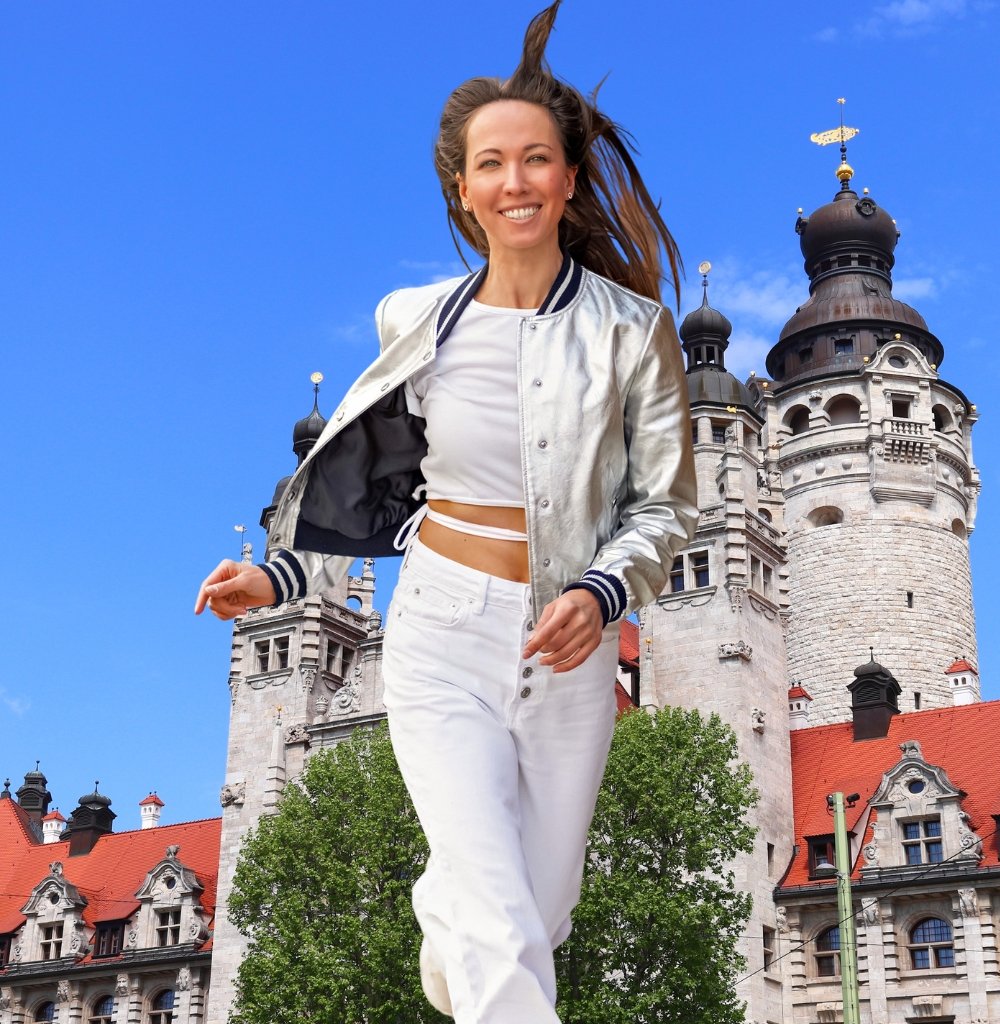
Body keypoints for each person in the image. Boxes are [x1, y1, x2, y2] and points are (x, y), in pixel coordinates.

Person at [195, 3, 697, 1021]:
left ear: (564, 177)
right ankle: (475, 921)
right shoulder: (412, 315)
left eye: (535, 160)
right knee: (503, 923)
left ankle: (453, 911)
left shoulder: (632, 329)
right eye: (490, 164)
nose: (514, 181)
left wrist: (603, 593)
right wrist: (284, 573)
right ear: (461, 189)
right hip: (438, 619)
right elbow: (386, 477)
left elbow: (668, 505)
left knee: (538, 905)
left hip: (565, 635)